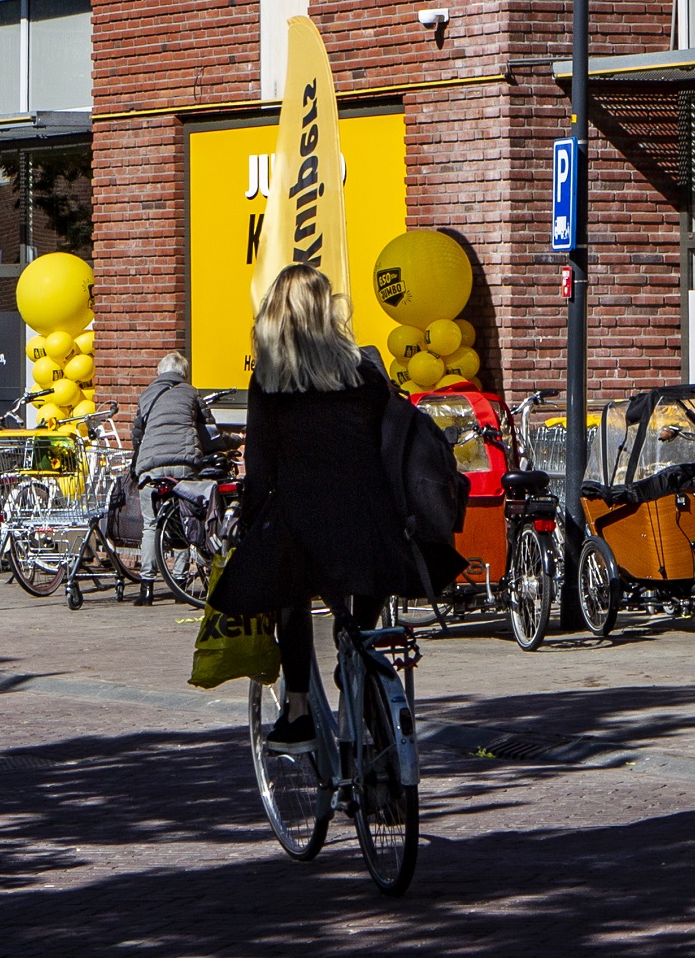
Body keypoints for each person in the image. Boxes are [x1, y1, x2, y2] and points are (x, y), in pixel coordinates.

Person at [212, 267, 456, 745]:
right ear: (327, 312)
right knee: (367, 591)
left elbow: (260, 467)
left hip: (303, 519)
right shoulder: (364, 371)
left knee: (288, 593)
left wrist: (249, 514)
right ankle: (359, 654)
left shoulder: (271, 380)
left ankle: (298, 708)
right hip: (370, 516)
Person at [131, 351, 226, 480]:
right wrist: (235, 440)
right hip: (183, 462)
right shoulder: (191, 392)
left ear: (159, 372)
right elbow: (210, 434)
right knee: (192, 497)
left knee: (148, 497)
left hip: (149, 466)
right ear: (185, 373)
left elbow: (137, 437)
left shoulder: (146, 395)